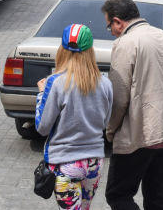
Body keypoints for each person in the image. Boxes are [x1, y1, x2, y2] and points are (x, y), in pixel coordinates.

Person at [102, 0, 163, 210]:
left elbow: (119, 97)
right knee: (157, 199)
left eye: (109, 25)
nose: (110, 31)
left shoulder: (126, 43)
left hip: (139, 135)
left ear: (118, 21)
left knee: (118, 195)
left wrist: (110, 130)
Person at [35, 23, 113, 210]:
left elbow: (42, 127)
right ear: (90, 51)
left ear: (62, 49)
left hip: (65, 162)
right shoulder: (105, 83)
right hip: (94, 163)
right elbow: (105, 122)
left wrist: (41, 94)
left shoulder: (56, 82)